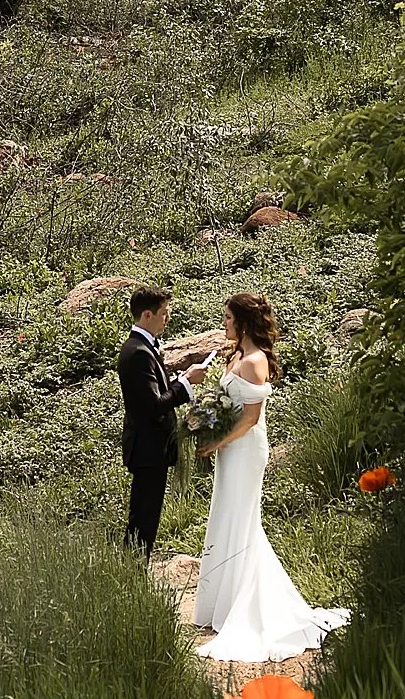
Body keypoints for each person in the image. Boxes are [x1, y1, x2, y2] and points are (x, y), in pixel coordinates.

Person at [191, 290, 350, 664]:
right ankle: (223, 604)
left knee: (243, 519)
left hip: (245, 450)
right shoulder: (236, 357)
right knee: (226, 515)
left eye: (229, 318)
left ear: (243, 322)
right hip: (231, 449)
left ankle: (246, 604)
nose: (225, 324)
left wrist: (216, 444)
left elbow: (249, 418)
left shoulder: (256, 361)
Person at [117, 285, 195, 555]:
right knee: (143, 519)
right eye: (164, 312)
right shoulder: (138, 352)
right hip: (148, 448)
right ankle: (134, 572)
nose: (168, 317)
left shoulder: (141, 347)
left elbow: (154, 394)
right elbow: (153, 405)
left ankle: (135, 569)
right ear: (147, 315)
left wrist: (176, 383)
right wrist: (184, 385)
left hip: (149, 448)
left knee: (145, 514)